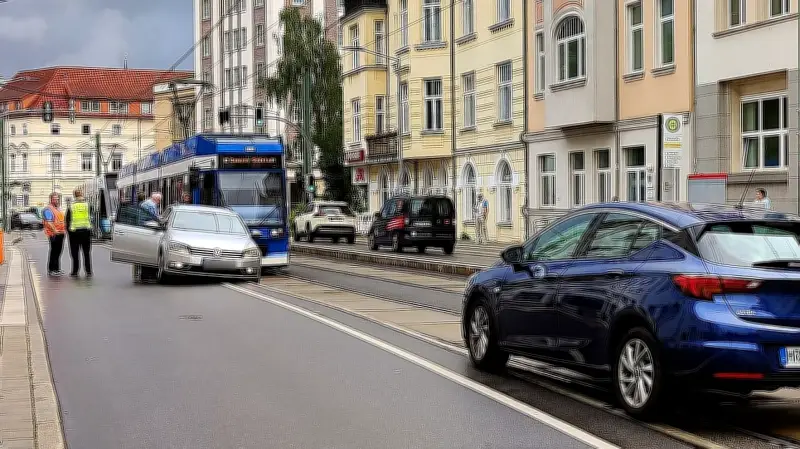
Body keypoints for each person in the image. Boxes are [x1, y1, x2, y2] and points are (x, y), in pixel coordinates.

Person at [65, 188, 93, 278]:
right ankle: (88, 271)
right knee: (86, 253)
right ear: (82, 195)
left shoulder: (71, 206)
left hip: (74, 233)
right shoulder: (88, 205)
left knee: (75, 253)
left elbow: (67, 220)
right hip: (86, 232)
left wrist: (69, 232)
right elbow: (91, 217)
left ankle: (75, 271)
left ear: (74, 196)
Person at [41, 193, 66, 277]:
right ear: (51, 199)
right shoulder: (48, 209)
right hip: (54, 234)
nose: (57, 200)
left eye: (58, 199)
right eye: (55, 199)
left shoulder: (57, 209)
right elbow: (49, 222)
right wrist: (55, 231)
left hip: (61, 233)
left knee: (58, 252)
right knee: (54, 252)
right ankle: (51, 270)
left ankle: (57, 269)